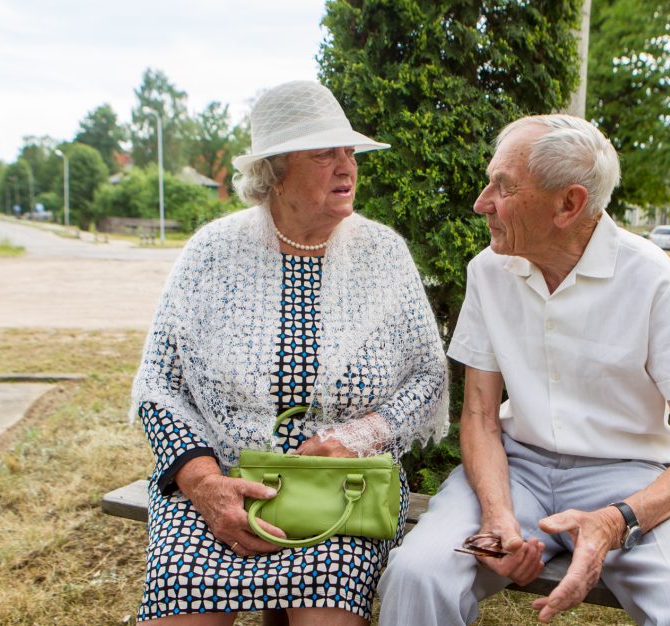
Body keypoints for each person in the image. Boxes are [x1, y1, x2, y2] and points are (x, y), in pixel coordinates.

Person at [377, 114, 670, 625]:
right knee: (417, 575)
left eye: (503, 187)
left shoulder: (655, 281)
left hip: (630, 479)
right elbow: (482, 415)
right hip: (515, 470)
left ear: (569, 204)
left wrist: (615, 521)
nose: (481, 202)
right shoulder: (488, 270)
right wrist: (498, 515)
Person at [131, 80, 448, 625]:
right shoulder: (211, 253)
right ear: (275, 172)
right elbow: (159, 384)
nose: (346, 166)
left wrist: (358, 436)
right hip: (224, 482)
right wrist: (205, 484)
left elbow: (428, 376)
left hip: (343, 493)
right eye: (325, 153)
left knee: (322, 616)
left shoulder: (384, 255)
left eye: (349, 152)